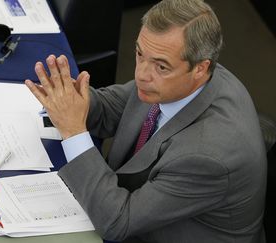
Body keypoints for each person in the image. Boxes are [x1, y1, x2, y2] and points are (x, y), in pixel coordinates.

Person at [25, 0, 267, 242]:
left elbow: (117, 223)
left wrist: (74, 133)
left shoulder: (209, 157)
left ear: (200, 69)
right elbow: (113, 108)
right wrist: (70, 98)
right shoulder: (177, 72)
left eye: (161, 66)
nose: (141, 74)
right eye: (140, 54)